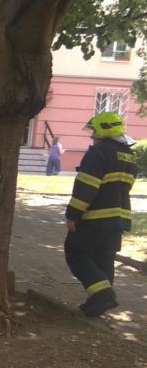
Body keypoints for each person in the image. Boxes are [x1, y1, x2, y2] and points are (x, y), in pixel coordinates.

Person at [65, 111, 137, 317]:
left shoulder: (99, 153)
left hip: (95, 217)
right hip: (119, 218)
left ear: (104, 131)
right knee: (104, 259)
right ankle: (97, 303)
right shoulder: (128, 154)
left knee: (76, 253)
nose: (92, 136)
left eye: (94, 131)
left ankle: (104, 296)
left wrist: (73, 215)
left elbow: (86, 187)